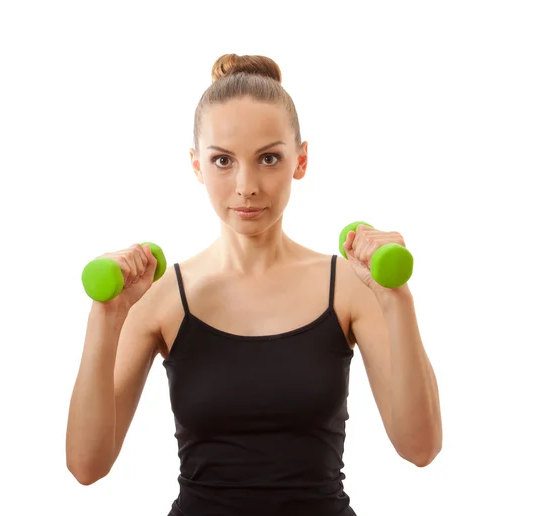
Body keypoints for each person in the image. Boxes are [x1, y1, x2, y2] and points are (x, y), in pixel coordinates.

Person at [66, 53, 442, 516]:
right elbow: (87, 465)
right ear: (196, 165)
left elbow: (419, 448)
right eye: (223, 160)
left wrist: (395, 299)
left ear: (300, 160)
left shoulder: (348, 286)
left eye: (268, 158)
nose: (246, 185)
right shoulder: (159, 296)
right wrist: (106, 314)